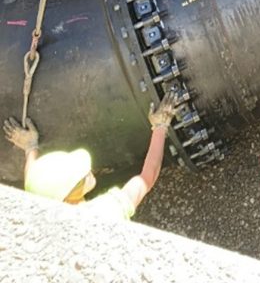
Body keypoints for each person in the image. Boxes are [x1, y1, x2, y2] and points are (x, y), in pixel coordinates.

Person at [3, 91, 178, 220]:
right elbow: (147, 177)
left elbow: (34, 186)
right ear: (69, 196)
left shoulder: (41, 212)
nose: (89, 171)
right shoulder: (104, 213)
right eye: (82, 176)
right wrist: (160, 126)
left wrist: (30, 147)